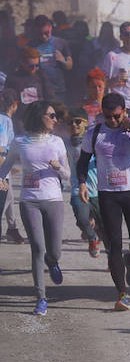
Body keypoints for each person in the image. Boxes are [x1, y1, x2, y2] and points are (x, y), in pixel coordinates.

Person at [76, 92, 130, 311]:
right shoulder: (94, 133)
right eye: (108, 116)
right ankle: (122, 293)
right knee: (114, 244)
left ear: (125, 112)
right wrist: (82, 183)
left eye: (117, 116)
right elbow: (82, 162)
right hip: (108, 194)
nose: (112, 120)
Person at [0, 101, 69, 315]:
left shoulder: (57, 142)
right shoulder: (20, 142)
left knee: (54, 250)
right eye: (51, 115)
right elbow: (6, 166)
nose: (55, 119)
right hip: (29, 201)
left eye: (56, 115)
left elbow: (67, 175)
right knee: (37, 248)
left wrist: (58, 168)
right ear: (40, 116)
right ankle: (41, 297)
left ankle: (53, 261)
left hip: (53, 200)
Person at [66, 107, 103, 258]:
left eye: (78, 121)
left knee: (105, 229)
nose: (74, 125)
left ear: (86, 124)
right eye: (70, 122)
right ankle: (92, 237)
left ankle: (112, 262)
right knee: (81, 220)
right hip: (77, 189)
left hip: (98, 190)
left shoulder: (95, 141)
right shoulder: (64, 145)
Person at [26, 15, 72, 102]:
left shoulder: (61, 42)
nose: (44, 36)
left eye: (46, 33)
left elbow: (70, 66)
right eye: (40, 34)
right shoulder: (31, 45)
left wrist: (63, 61)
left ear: (50, 27)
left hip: (58, 90)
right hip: (39, 89)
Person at [0, 87, 24, 243]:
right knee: (6, 199)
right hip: (1, 169)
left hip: (5, 169)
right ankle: (10, 229)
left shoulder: (5, 120)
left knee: (9, 198)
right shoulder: (4, 121)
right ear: (15, 104)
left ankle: (12, 229)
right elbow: (1, 148)